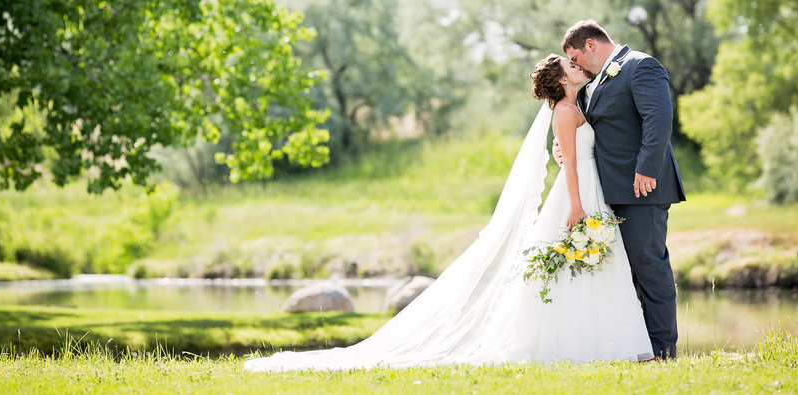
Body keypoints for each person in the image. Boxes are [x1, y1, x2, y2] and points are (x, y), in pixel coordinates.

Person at [243, 54, 653, 372]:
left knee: (590, 268)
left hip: (589, 193)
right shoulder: (564, 112)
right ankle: (569, 344)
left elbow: (572, 155)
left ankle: (600, 343)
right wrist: (577, 205)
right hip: (575, 198)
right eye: (570, 64)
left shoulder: (576, 103)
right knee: (568, 268)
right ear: (562, 78)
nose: (577, 66)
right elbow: (572, 166)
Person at [560, 20, 686, 360]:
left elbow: (657, 120)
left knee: (650, 268)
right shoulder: (589, 86)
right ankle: (638, 349)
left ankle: (663, 351)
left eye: (576, 57)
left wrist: (646, 168)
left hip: (642, 188)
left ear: (590, 44)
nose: (576, 66)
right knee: (624, 274)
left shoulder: (641, 66)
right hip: (608, 191)